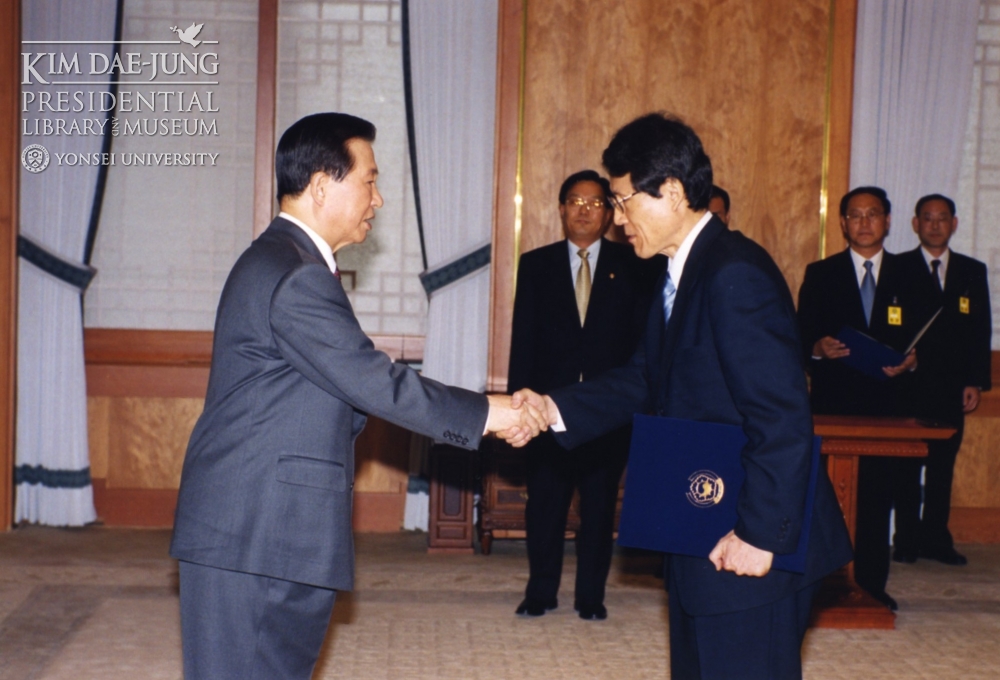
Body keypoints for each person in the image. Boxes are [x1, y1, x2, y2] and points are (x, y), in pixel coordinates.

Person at [169, 112, 544, 680]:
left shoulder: (285, 261)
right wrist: (491, 412)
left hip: (266, 528)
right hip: (255, 533)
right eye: (369, 180)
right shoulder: (294, 274)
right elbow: (374, 380)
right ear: (322, 185)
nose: (380, 198)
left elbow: (339, 388)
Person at [514, 113, 852, 679]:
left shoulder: (733, 274)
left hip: (751, 542)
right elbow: (646, 378)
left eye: (622, 202)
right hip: (705, 525)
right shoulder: (679, 273)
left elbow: (783, 415)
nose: (617, 221)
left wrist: (758, 535)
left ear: (670, 192)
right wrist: (552, 409)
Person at [508, 169, 664, 621]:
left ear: (610, 212)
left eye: (596, 203)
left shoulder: (636, 263)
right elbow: (525, 339)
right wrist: (522, 404)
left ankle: (591, 596)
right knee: (545, 508)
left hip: (607, 412)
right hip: (546, 409)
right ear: (561, 209)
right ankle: (540, 592)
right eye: (575, 201)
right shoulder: (536, 264)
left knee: (598, 509)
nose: (584, 210)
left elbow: (641, 343)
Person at [796, 185, 919, 611]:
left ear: (887, 221)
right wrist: (817, 348)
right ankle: (824, 584)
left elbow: (933, 343)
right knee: (827, 500)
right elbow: (799, 336)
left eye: (873, 214)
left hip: (890, 407)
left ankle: (872, 584)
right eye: (855, 215)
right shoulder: (821, 273)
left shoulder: (912, 274)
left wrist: (913, 362)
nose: (864, 222)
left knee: (877, 499)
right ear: (843, 223)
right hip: (835, 406)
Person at [892, 194, 992, 566]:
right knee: (904, 464)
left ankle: (936, 538)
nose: (935, 225)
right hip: (908, 385)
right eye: (927, 218)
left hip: (951, 388)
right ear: (915, 224)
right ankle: (905, 540)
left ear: (955, 223)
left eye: (943, 218)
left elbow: (980, 330)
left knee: (942, 466)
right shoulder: (898, 266)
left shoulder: (971, 270)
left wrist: (975, 381)